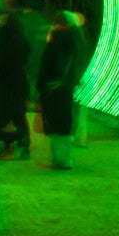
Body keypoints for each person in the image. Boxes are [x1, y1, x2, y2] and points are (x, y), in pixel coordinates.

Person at [37, 11, 89, 169]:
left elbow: (46, 65)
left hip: (52, 87)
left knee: (55, 123)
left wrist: (40, 85)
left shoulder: (55, 41)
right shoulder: (76, 41)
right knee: (64, 122)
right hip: (66, 86)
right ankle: (63, 159)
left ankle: (58, 159)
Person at [0, 9, 32, 161]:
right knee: (18, 114)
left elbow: (4, 62)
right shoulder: (20, 38)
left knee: (8, 115)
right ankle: (24, 146)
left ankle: (10, 149)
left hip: (8, 83)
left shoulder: (7, 40)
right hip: (17, 81)